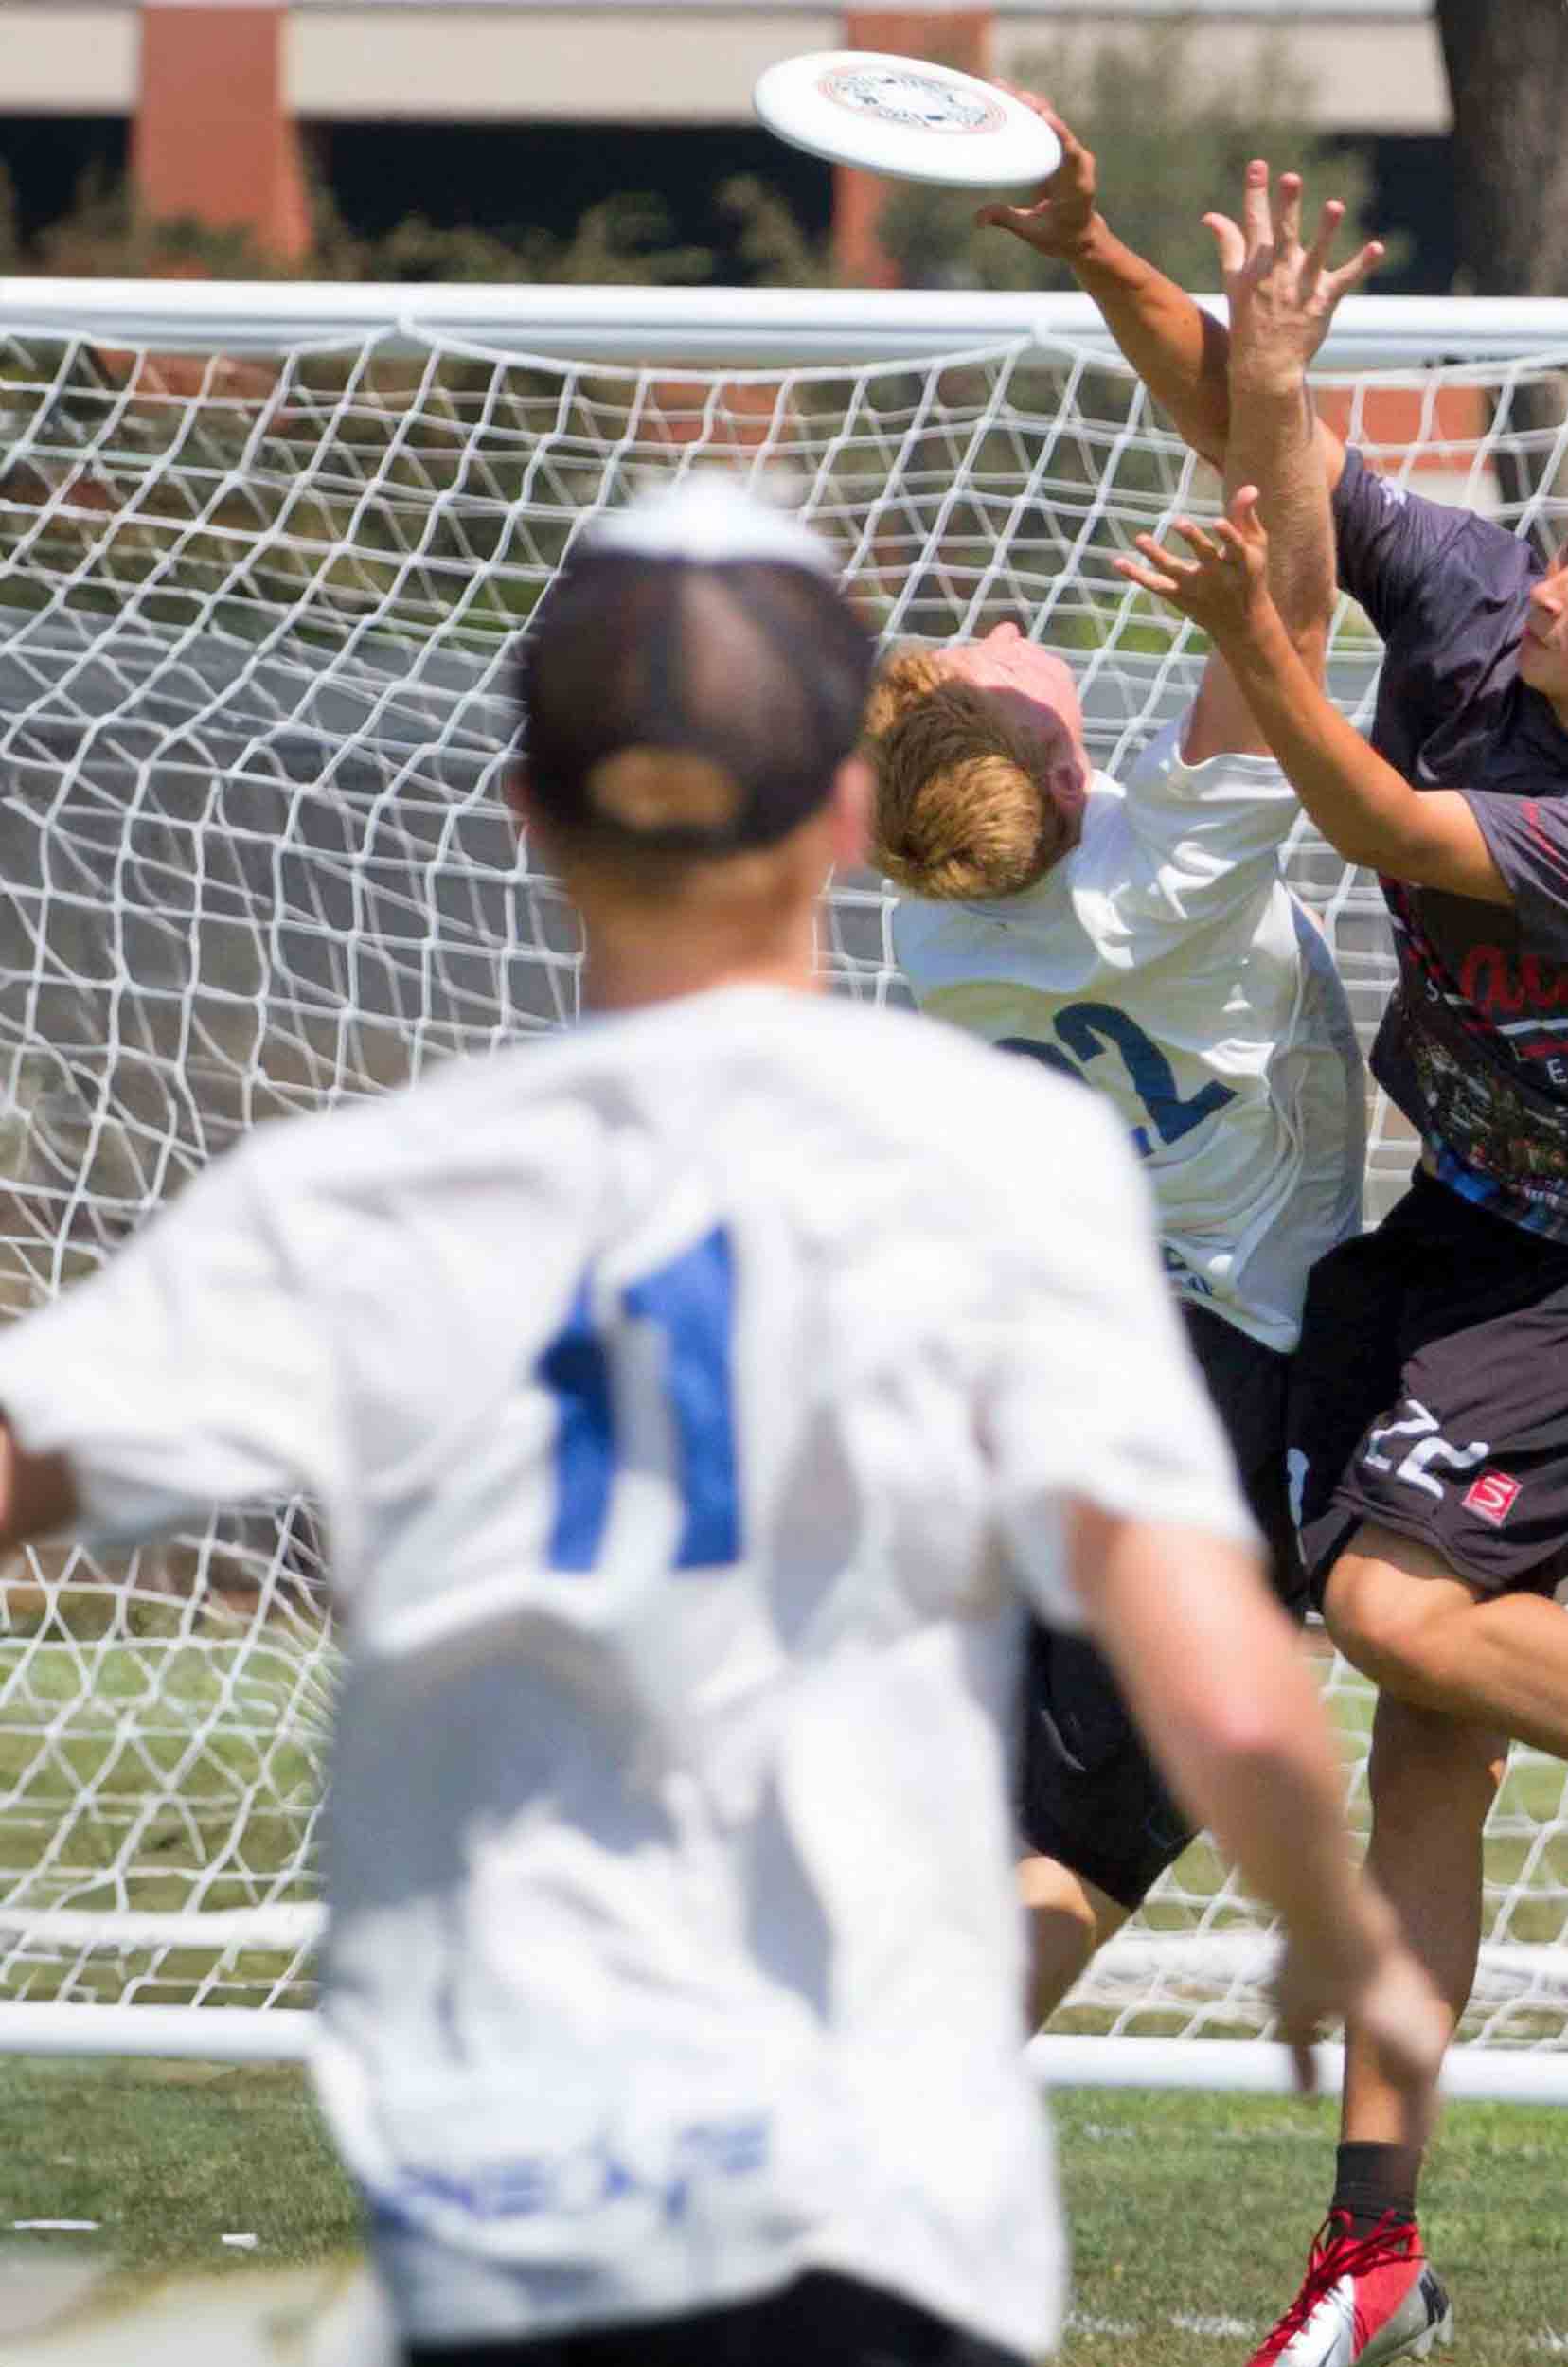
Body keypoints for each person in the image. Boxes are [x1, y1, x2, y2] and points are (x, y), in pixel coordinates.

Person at [0, 479, 1439, 2367]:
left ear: (531, 823)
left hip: (509, 2180)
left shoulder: (357, 1198)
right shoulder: (1002, 1168)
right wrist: (1332, 1917)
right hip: (879, 2212)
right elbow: (1223, 1670)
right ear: (840, 819)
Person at [984, 100, 1568, 2367]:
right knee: (1429, 1738)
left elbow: (1369, 807)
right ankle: (1372, 2247)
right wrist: (1094, 246)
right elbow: (1247, 416)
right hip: (1447, 1230)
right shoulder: (1494, 590)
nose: (1554, 576)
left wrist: (1254, 610)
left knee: (1396, 1610)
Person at [865, 164, 1381, 2024]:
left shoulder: (944, 927)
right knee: (1077, 1849)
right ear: (1063, 774)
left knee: (980, 1808)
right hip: (1204, 1371)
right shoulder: (1151, 873)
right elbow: (1295, 601)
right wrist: (1271, 371)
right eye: (1010, 679)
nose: (1006, 635)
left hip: (1046, 1361)